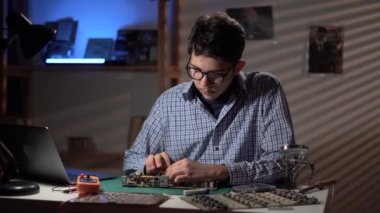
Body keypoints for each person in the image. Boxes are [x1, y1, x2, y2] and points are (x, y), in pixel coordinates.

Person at [123, 12, 295, 186]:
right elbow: (131, 160)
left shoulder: (265, 89)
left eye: (216, 75)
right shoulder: (168, 102)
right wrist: (148, 164)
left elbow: (284, 163)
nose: (203, 83)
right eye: (195, 70)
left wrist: (219, 171)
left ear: (237, 68)